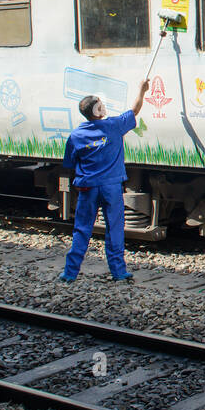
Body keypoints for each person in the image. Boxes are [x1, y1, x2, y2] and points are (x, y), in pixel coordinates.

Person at [60, 80, 150, 283]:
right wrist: (141, 90)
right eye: (101, 103)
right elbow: (134, 110)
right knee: (115, 228)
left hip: (87, 187)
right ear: (99, 109)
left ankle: (69, 273)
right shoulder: (114, 126)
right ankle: (118, 272)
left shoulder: (76, 135)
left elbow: (70, 162)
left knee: (82, 229)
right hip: (111, 187)